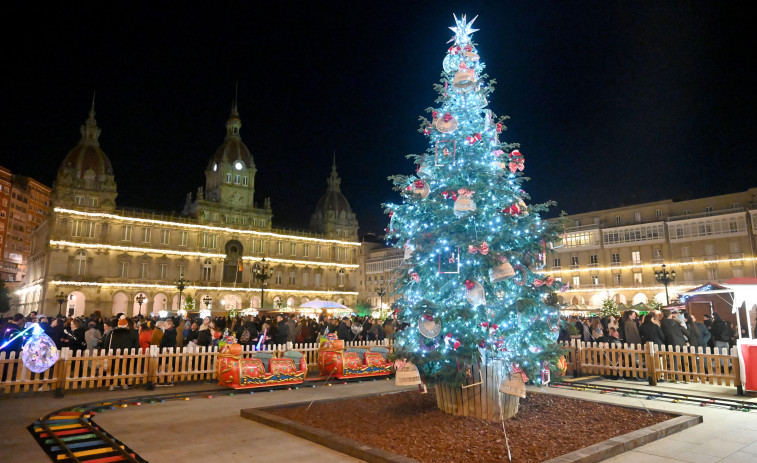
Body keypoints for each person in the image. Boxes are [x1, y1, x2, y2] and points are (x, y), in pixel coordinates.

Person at [107, 316, 138, 390]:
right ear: (126, 325)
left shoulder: (112, 333)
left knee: (114, 369)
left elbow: (107, 343)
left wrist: (107, 351)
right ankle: (124, 383)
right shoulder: (132, 333)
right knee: (125, 368)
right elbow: (135, 345)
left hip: (113, 353)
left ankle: (113, 384)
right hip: (126, 354)